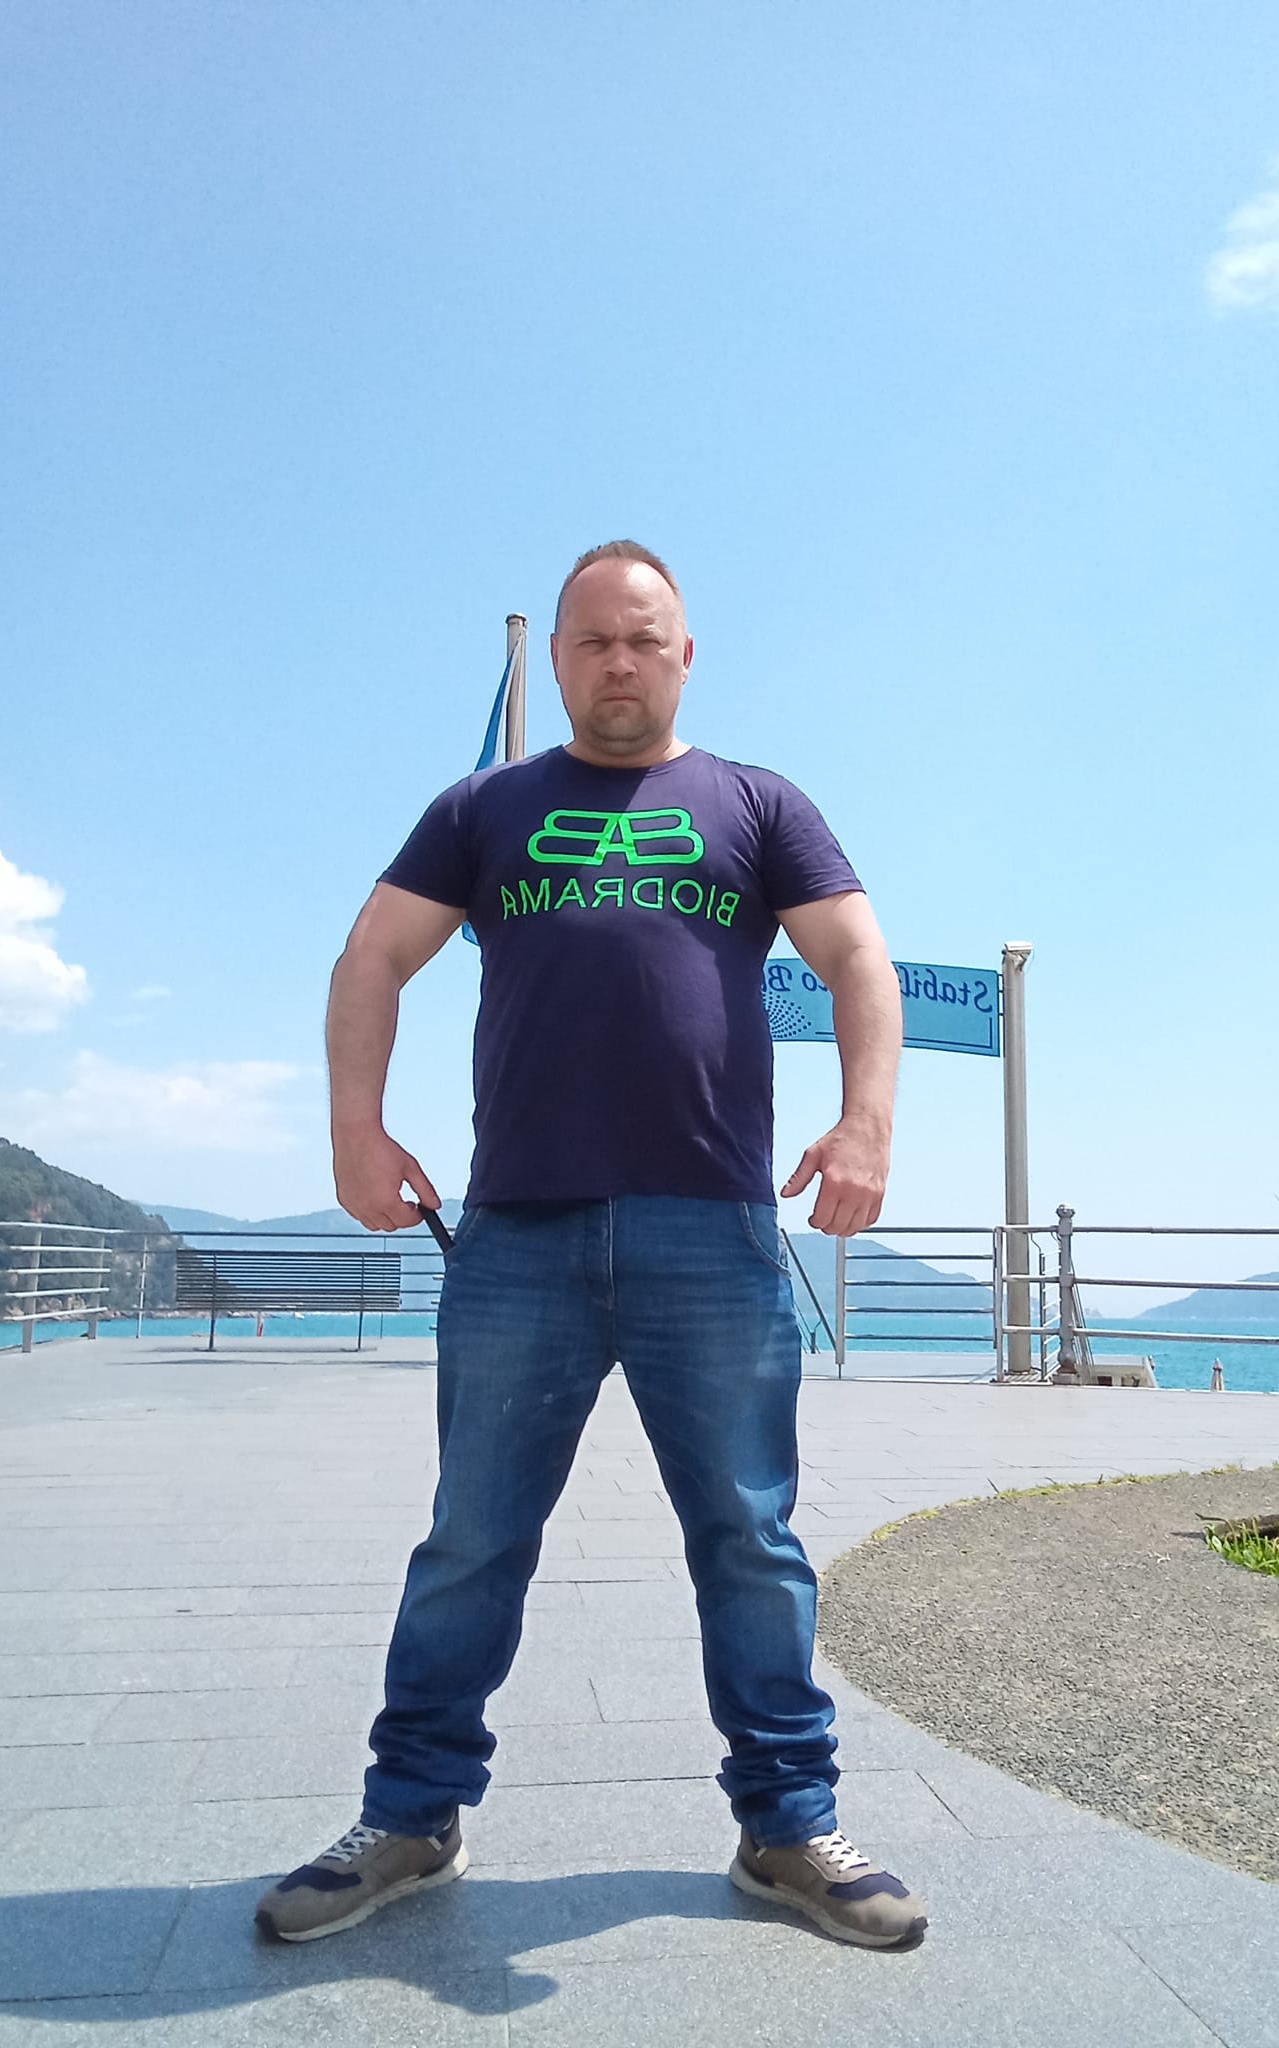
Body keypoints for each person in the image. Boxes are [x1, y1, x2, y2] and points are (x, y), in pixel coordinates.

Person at [256, 541, 927, 1950]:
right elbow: (372, 956)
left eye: (644, 639)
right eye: (593, 642)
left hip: (713, 1230)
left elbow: (857, 957)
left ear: (685, 655)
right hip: (520, 1235)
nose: (619, 663)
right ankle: (411, 1814)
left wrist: (864, 1121)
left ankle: (787, 1824)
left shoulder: (758, 804)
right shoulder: (483, 808)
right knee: (472, 1538)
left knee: (750, 1541)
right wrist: (354, 1131)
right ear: (560, 659)